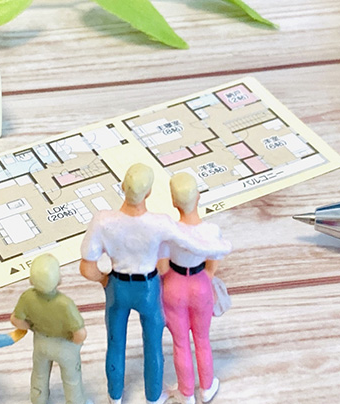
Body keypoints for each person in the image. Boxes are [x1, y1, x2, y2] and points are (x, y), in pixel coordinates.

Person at [79, 163, 230, 404]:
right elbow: (190, 243)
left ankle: (115, 396)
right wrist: (218, 248)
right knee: (153, 344)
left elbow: (87, 268)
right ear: (148, 192)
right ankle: (153, 397)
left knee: (115, 343)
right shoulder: (160, 223)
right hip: (148, 288)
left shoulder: (103, 221)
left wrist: (106, 280)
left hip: (118, 285)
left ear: (122, 187)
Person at [157, 173, 229, 404]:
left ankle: (186, 392)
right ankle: (206, 387)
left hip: (174, 286)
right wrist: (206, 275)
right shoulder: (211, 230)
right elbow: (213, 261)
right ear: (198, 196)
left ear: (173, 201)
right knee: (202, 339)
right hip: (200, 284)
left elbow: (162, 267)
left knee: (180, 343)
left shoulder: (169, 233)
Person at [10, 254, 91, 404]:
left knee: (39, 375)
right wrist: (75, 344)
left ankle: (38, 399)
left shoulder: (27, 297)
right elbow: (80, 333)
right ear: (59, 280)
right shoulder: (65, 304)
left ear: (31, 280)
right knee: (71, 379)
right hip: (65, 346)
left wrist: (31, 327)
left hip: (41, 342)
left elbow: (15, 320)